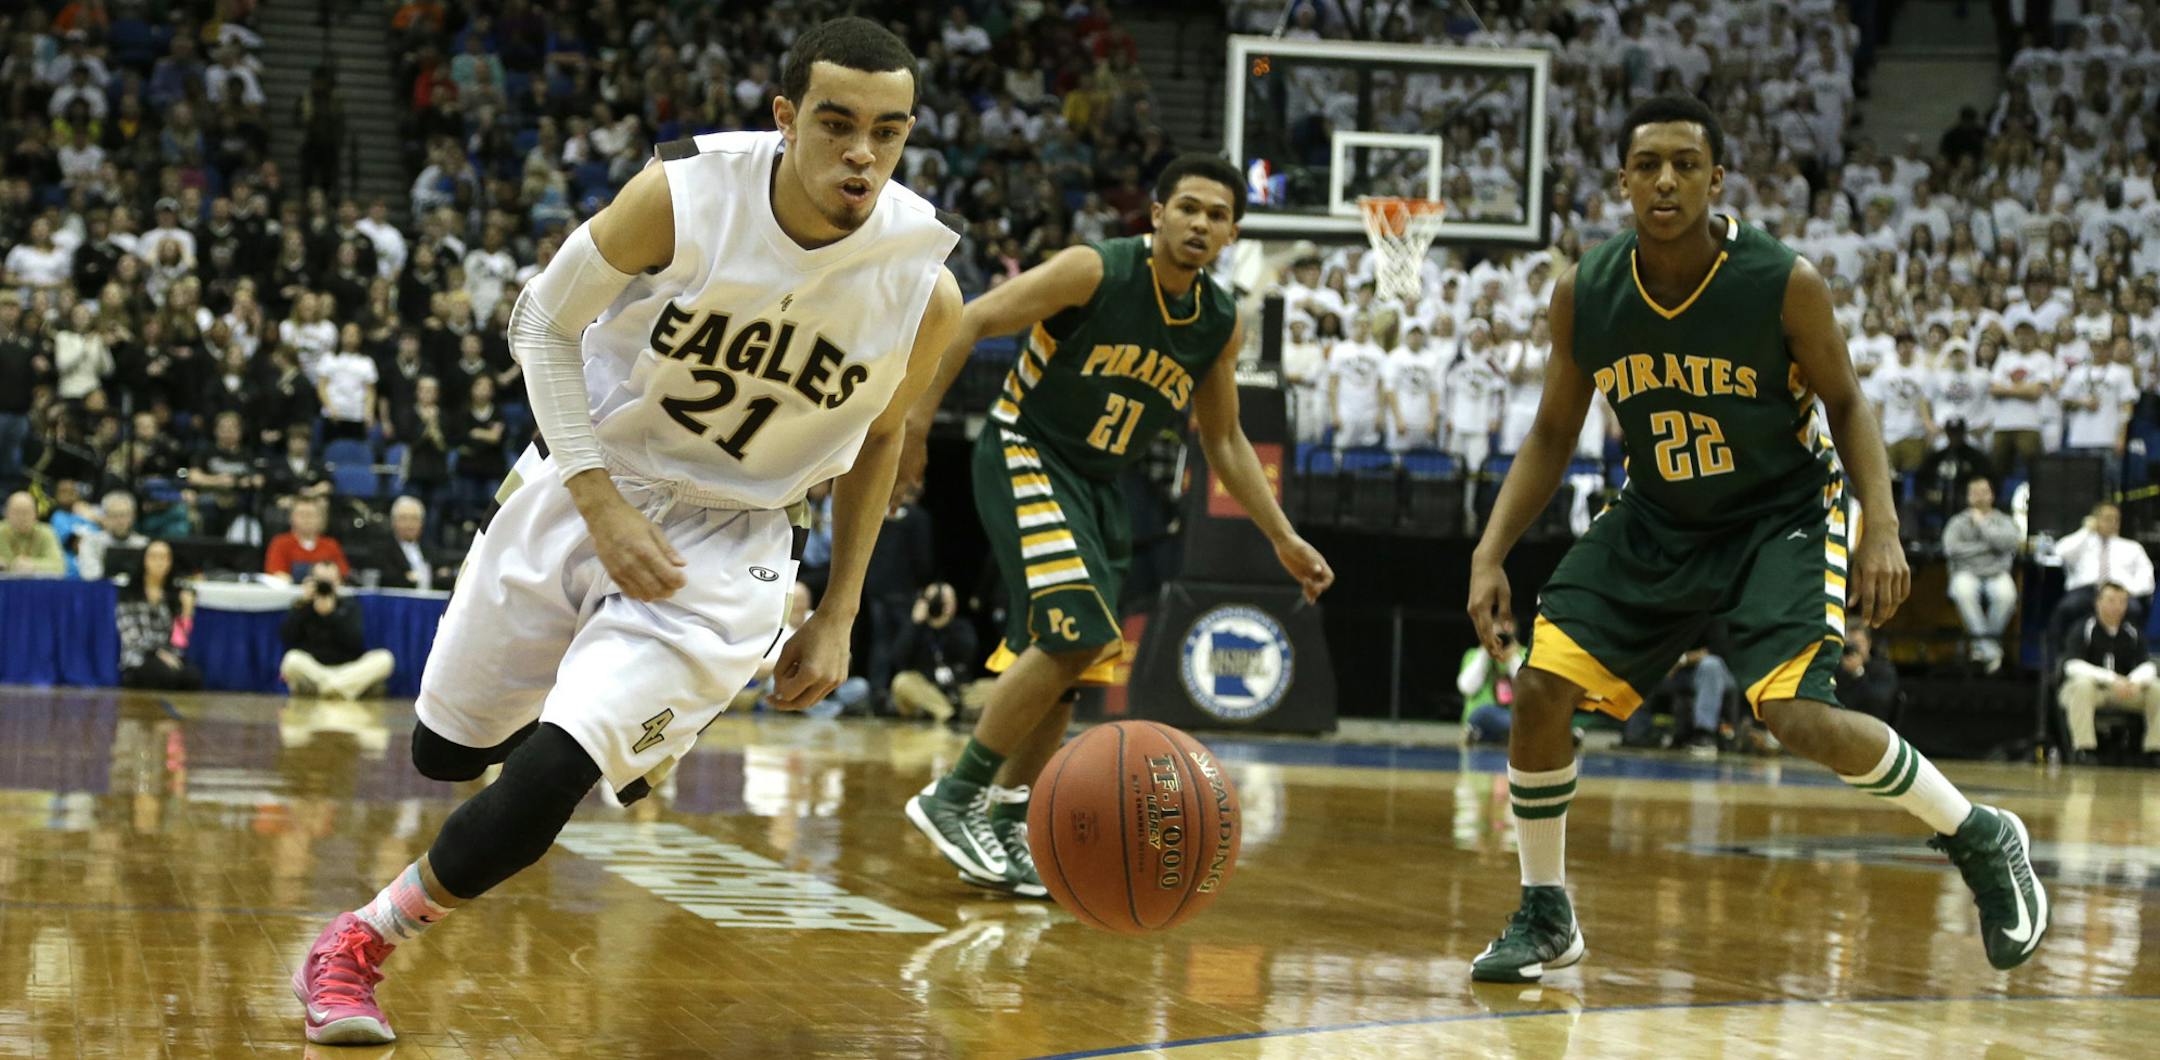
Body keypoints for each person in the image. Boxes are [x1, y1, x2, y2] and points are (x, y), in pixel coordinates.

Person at [291, 19, 962, 1046]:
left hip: (733, 544)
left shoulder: (924, 280)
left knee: (550, 776)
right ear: (786, 120)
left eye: (887, 130)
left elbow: (880, 445)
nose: (862, 155)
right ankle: (611, 712)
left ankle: (359, 943)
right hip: (591, 476)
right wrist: (600, 502)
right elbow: (539, 323)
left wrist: (838, 610)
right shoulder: (686, 196)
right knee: (440, 752)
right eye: (835, 125)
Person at [1463, 95, 2046, 983]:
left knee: (1794, 714)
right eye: (1648, 164)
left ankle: (1979, 834)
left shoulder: (1781, 279)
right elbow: (1551, 433)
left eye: (1685, 164)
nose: (1666, 180)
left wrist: (1881, 523)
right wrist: (1489, 549)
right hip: (1658, 515)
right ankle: (1547, 913)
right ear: (1622, 181)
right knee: (1541, 688)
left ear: (1716, 180)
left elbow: (1848, 402)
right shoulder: (1587, 290)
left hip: (1782, 514)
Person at [897, 154, 1334, 897]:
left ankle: (1006, 816)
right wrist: (913, 423)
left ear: (1232, 233)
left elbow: (1223, 440)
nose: (1200, 223)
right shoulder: (1094, 270)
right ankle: (956, 794)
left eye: (1217, 215)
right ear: (1156, 214)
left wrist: (1282, 534)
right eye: (1187, 208)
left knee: (1071, 662)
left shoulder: (1218, 322)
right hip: (1025, 449)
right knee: (1076, 634)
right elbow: (972, 318)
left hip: (1099, 483)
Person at [2057, 582, 2160, 766]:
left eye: (2122, 602)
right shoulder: (2083, 628)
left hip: (2125, 692)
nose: (2117, 607)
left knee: (2156, 688)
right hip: (2092, 690)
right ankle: (2084, 750)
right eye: (2111, 601)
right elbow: (2071, 665)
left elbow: (2148, 666)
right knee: (2082, 685)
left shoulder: (2132, 632)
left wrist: (2134, 682)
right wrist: (2111, 679)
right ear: (2098, 602)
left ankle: (2155, 750)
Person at [279, 563, 395, 699]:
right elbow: (287, 638)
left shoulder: (350, 605)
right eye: (320, 581)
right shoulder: (302, 606)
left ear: (339, 582)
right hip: (315, 670)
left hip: (348, 669)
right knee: (291, 660)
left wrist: (332, 615)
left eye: (330, 581)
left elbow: (355, 641)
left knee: (385, 659)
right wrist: (303, 606)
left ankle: (330, 688)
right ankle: (337, 688)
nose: (325, 586)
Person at [1943, 478, 2022, 671]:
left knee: (2007, 595)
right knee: (1963, 593)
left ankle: (1982, 648)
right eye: (1975, 492)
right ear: (1968, 497)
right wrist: (1990, 548)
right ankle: (1991, 650)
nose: (1979, 496)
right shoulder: (1958, 522)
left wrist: (1984, 526)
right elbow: (1951, 549)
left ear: (1992, 495)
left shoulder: (2004, 520)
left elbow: (2011, 542)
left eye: (1984, 491)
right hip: (1965, 572)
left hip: (1997, 573)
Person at [2050, 502, 2155, 646]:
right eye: (2107, 518)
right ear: (2095, 519)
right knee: (2066, 608)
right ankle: (2061, 660)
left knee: (2134, 609)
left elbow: (2147, 577)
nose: (2112, 523)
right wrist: (2086, 530)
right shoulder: (2082, 543)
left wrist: (2129, 591)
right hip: (2086, 591)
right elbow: (2059, 552)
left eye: (2116, 519)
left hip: (2120, 592)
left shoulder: (2132, 547)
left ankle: (2130, 657)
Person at [117, 540, 202, 690]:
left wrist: (186, 613)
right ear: (144, 560)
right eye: (154, 557)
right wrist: (157, 653)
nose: (159, 562)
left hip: (168, 656)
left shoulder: (174, 595)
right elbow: (131, 636)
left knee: (192, 676)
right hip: (139, 657)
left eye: (164, 557)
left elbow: (179, 642)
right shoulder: (129, 593)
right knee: (165, 675)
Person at [1456, 618, 1523, 745]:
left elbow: (1528, 688)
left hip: (1513, 715)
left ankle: (1487, 736)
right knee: (1486, 712)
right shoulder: (1473, 654)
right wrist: (1485, 652)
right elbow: (1466, 688)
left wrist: (1512, 658)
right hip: (1481, 715)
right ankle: (1527, 730)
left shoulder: (1523, 655)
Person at [376, 497, 456, 591]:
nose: (409, 524)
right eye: (404, 518)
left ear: (422, 523)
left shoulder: (430, 549)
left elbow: (444, 573)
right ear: (393, 522)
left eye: (414, 519)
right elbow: (389, 579)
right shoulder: (383, 550)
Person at [264, 496, 351, 582]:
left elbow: (343, 575)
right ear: (291, 518)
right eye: (301, 514)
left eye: (311, 515)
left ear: (321, 519)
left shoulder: (331, 545)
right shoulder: (280, 543)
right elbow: (275, 573)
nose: (306, 519)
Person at [77, 490, 151, 581]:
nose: (120, 521)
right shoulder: (90, 542)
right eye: (114, 515)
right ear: (105, 517)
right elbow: (89, 575)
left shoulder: (143, 544)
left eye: (124, 515)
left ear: (133, 516)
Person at [1835, 622, 1899, 722]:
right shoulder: (1836, 669)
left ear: (1868, 643)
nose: (1853, 650)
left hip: (1873, 726)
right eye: (1848, 644)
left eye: (1857, 644)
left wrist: (1858, 673)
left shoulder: (1883, 669)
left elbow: (1878, 704)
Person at [2, 491, 66, 575]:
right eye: (16, 512)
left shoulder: (46, 532)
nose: (21, 517)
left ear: (36, 514)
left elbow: (60, 567)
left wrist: (33, 565)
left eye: (26, 512)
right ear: (6, 514)